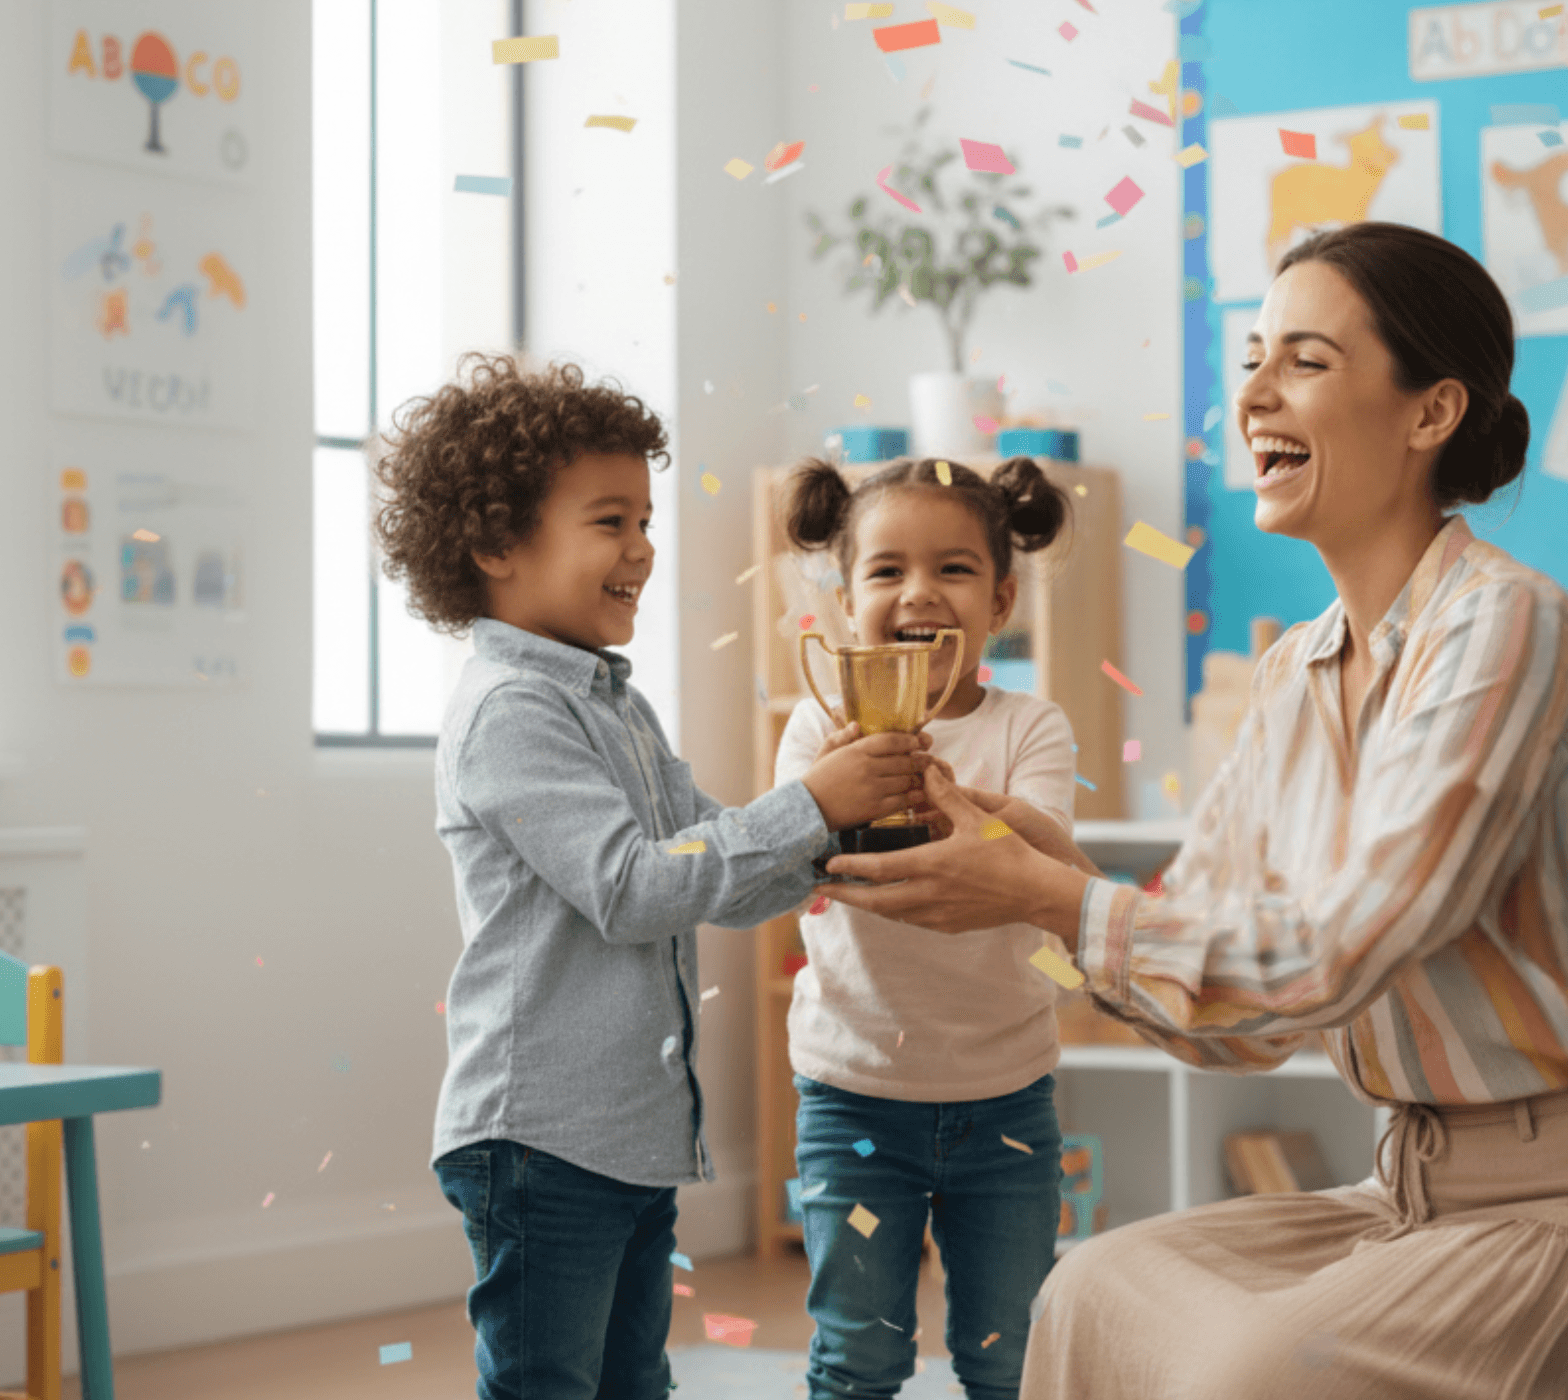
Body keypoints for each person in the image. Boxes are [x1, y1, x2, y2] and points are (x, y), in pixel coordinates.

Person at [815, 222, 1568, 1398]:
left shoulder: (1507, 623)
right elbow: (1243, 1022)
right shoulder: (1292, 674)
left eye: (1305, 361)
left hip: (1541, 1212)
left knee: (1249, 1372)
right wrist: (1054, 880)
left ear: (1431, 413)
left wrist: (1055, 896)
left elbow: (1342, 950)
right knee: (1088, 1290)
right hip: (1397, 1190)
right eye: (1254, 354)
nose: (1254, 391)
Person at [373, 354, 934, 1400]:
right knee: (548, 1382)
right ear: (497, 542)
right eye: (609, 521)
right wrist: (814, 801)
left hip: (625, 1133)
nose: (642, 547)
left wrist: (840, 837)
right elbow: (636, 887)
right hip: (537, 1135)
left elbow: (713, 859)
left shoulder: (615, 703)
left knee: (633, 1381)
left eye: (644, 518)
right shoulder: (510, 710)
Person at [774, 455, 1079, 1400]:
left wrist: (938, 795)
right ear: (840, 601)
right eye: (886, 570)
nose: (920, 593)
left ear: (1002, 600)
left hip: (1007, 1098)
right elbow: (788, 874)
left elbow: (1038, 861)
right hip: (852, 1094)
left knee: (1009, 1355)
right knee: (857, 1355)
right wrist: (825, 795)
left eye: (954, 569)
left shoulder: (1034, 725)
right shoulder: (812, 733)